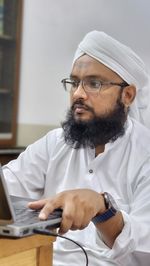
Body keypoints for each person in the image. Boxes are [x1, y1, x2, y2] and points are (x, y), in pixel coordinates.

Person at [3, 30, 150, 266]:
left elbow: (145, 244)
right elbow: (8, 184)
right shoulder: (55, 142)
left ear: (128, 95)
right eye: (74, 82)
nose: (78, 94)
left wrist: (103, 210)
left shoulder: (145, 154)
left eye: (94, 83)